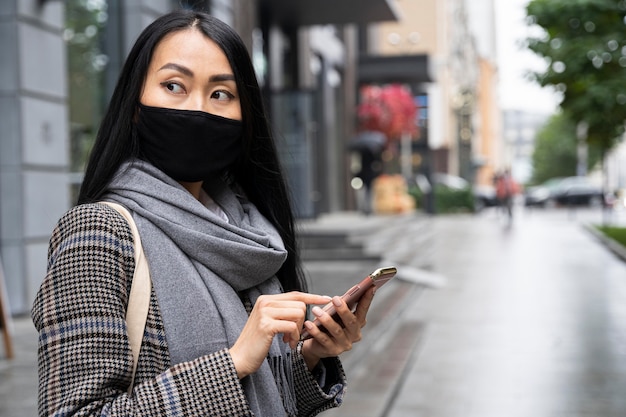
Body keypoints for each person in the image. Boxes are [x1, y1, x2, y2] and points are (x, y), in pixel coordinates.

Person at [31, 10, 375, 417]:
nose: (198, 109)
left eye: (221, 94)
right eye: (174, 85)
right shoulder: (97, 231)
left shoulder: (248, 235)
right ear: (136, 106)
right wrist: (231, 365)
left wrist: (311, 357)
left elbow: (261, 401)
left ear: (245, 118)